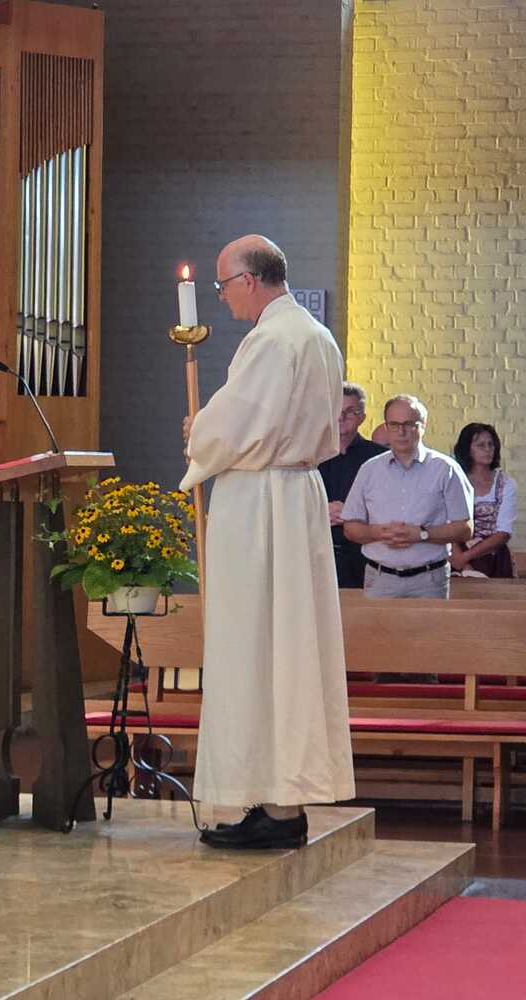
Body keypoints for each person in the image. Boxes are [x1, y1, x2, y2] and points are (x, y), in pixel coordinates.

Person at [180, 235, 355, 851]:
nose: (223, 297)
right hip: (294, 496)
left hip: (261, 504)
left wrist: (198, 431)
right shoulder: (315, 335)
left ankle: (275, 804)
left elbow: (235, 426)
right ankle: (280, 799)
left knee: (254, 645)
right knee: (286, 650)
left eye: (224, 285)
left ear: (250, 280)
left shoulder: (272, 340)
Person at [342, 395, 473, 600]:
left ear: (423, 425)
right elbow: (350, 527)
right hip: (380, 578)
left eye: (409, 424)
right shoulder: (369, 470)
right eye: (394, 425)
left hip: (429, 579)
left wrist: (422, 534)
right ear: (387, 426)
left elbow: (465, 529)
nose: (401, 432)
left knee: (429, 624)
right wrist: (379, 532)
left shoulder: (445, 469)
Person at [319, 383, 387, 588]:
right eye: (336, 410)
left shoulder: (379, 458)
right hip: (318, 552)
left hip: (364, 556)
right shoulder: (308, 456)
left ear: (362, 418)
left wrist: (351, 512)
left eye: (350, 411)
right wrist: (319, 510)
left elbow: (392, 505)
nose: (341, 417)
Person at [452, 423, 518, 578]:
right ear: (467, 449)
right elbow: (442, 522)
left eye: (491, 444)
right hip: (454, 555)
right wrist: (459, 560)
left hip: (493, 557)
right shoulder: (453, 481)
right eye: (481, 445)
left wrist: (465, 557)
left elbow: (504, 533)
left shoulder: (506, 484)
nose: (488, 449)